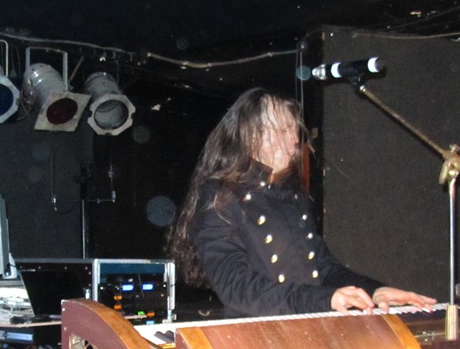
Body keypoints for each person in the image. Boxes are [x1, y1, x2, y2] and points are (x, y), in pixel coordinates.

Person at [167, 87, 435, 318]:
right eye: (284, 130)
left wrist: (374, 291)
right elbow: (236, 287)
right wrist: (322, 300)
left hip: (304, 327)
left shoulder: (293, 197)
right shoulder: (221, 195)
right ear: (252, 137)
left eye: (294, 130)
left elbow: (324, 268)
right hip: (255, 339)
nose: (295, 139)